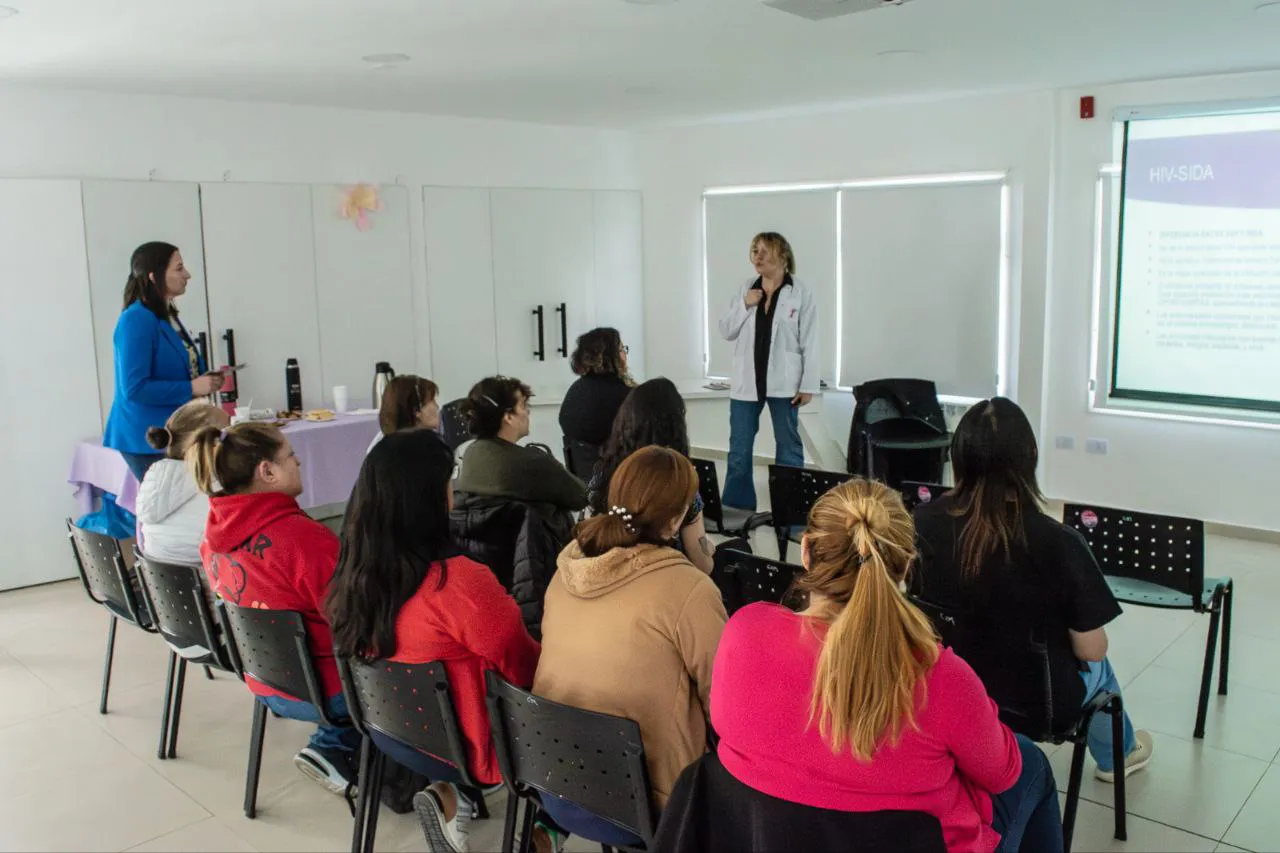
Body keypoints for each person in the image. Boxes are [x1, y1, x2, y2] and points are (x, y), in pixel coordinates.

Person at [712, 478, 1063, 853]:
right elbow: (1002, 773)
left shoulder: (744, 633)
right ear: (906, 566)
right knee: (1033, 765)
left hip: (773, 838)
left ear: (807, 551)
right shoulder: (938, 676)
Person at [912, 397, 1153, 784]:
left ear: (957, 458)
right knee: (1100, 667)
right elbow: (1092, 649)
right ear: (1029, 459)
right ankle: (1117, 757)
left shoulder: (921, 522)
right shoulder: (1059, 542)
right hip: (1038, 704)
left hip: (945, 684)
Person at [328, 430, 540, 853]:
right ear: (430, 496)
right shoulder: (459, 584)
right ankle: (545, 832)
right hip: (475, 749)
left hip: (391, 732)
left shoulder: (353, 574)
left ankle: (450, 796)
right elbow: (526, 669)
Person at [535, 446, 727, 845]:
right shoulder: (687, 589)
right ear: (676, 519)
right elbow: (726, 705)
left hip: (553, 780)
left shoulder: (565, 570)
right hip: (651, 803)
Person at [189, 422, 358, 795]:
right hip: (325, 689)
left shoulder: (212, 537)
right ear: (267, 471)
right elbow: (354, 620)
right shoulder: (301, 539)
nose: (298, 462)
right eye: (291, 456)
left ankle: (334, 748)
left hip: (263, 678)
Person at [104, 241, 224, 480]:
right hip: (147, 438)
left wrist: (205, 379)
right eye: (179, 268)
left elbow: (178, 366)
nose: (187, 275)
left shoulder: (165, 316)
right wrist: (191, 387)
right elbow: (135, 388)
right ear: (153, 275)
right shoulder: (136, 319)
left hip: (176, 431)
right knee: (167, 512)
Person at [716, 232, 819, 511]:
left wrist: (808, 384)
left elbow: (809, 340)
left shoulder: (800, 292)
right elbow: (726, 330)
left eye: (765, 251)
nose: (757, 257)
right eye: (755, 251)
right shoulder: (745, 289)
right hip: (746, 384)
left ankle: (791, 514)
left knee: (789, 450)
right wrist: (745, 304)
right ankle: (736, 511)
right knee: (739, 450)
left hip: (785, 384)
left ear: (783, 255)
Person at [588, 378, 716, 574]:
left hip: (607, 577)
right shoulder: (681, 483)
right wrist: (709, 549)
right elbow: (702, 566)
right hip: (666, 581)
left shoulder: (602, 474)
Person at [454, 376, 587, 512]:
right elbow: (581, 497)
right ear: (508, 417)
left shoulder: (470, 453)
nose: (528, 412)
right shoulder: (532, 462)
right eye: (523, 405)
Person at [135, 401, 229, 570]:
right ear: (210, 442)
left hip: (159, 586)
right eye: (226, 435)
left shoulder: (155, 476)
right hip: (206, 586)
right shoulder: (215, 484)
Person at [558, 327, 633, 448]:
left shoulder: (575, 390)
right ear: (610, 357)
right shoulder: (627, 395)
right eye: (621, 350)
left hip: (583, 465)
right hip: (620, 465)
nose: (625, 355)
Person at [367, 375, 442, 454]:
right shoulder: (426, 449)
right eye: (432, 401)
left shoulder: (379, 447)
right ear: (416, 410)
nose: (437, 407)